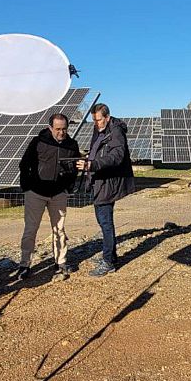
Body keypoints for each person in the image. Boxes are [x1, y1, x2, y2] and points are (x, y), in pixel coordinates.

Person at [17, 113, 81, 281]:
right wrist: (27, 187)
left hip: (58, 194)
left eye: (64, 129)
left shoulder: (72, 145)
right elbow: (24, 164)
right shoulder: (38, 142)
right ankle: (24, 264)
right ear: (50, 128)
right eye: (58, 129)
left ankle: (60, 262)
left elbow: (74, 169)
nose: (61, 132)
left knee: (59, 230)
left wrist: (68, 186)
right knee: (30, 230)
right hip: (36, 193)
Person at [76, 103, 135, 277]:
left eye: (99, 119)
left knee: (106, 223)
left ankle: (109, 262)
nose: (97, 123)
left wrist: (93, 164)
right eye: (94, 120)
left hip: (107, 183)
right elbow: (97, 152)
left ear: (107, 117)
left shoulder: (115, 132)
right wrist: (88, 159)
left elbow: (117, 156)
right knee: (103, 222)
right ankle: (109, 256)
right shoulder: (100, 130)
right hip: (98, 181)